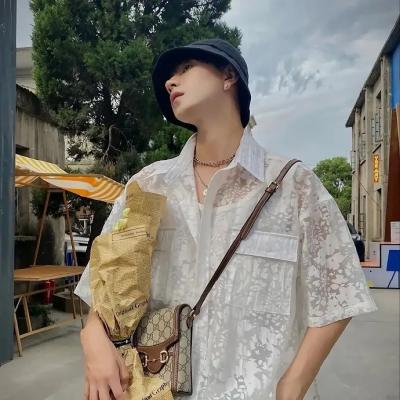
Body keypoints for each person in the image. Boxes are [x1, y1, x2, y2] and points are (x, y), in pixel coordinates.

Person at [75, 38, 378, 400]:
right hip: (155, 389)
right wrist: (92, 337)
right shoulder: (148, 186)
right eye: (169, 76)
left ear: (228, 75)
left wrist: (293, 384)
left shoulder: (293, 186)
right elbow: (103, 285)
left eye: (185, 68)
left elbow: (339, 292)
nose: (170, 81)